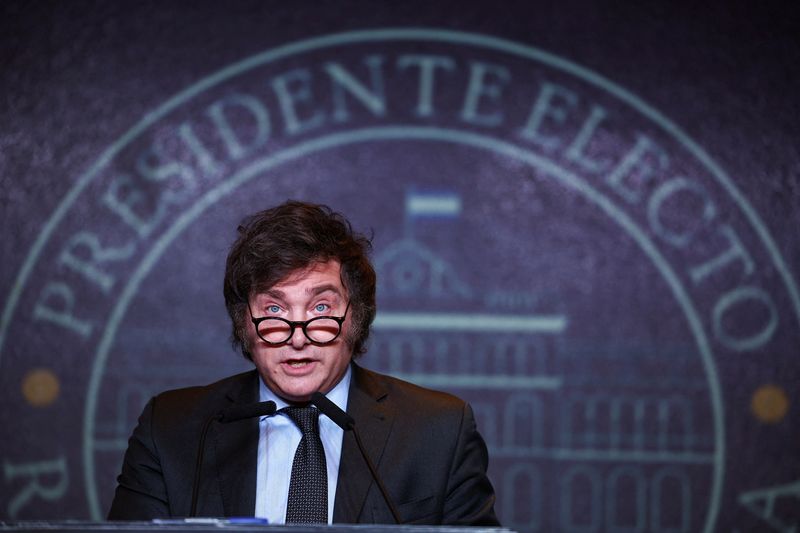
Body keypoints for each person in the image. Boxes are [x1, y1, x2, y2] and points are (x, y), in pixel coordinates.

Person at [108, 201, 499, 525]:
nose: (298, 337)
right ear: (244, 321)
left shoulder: (439, 432)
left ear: (356, 317)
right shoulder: (172, 428)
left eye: (321, 308)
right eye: (275, 308)